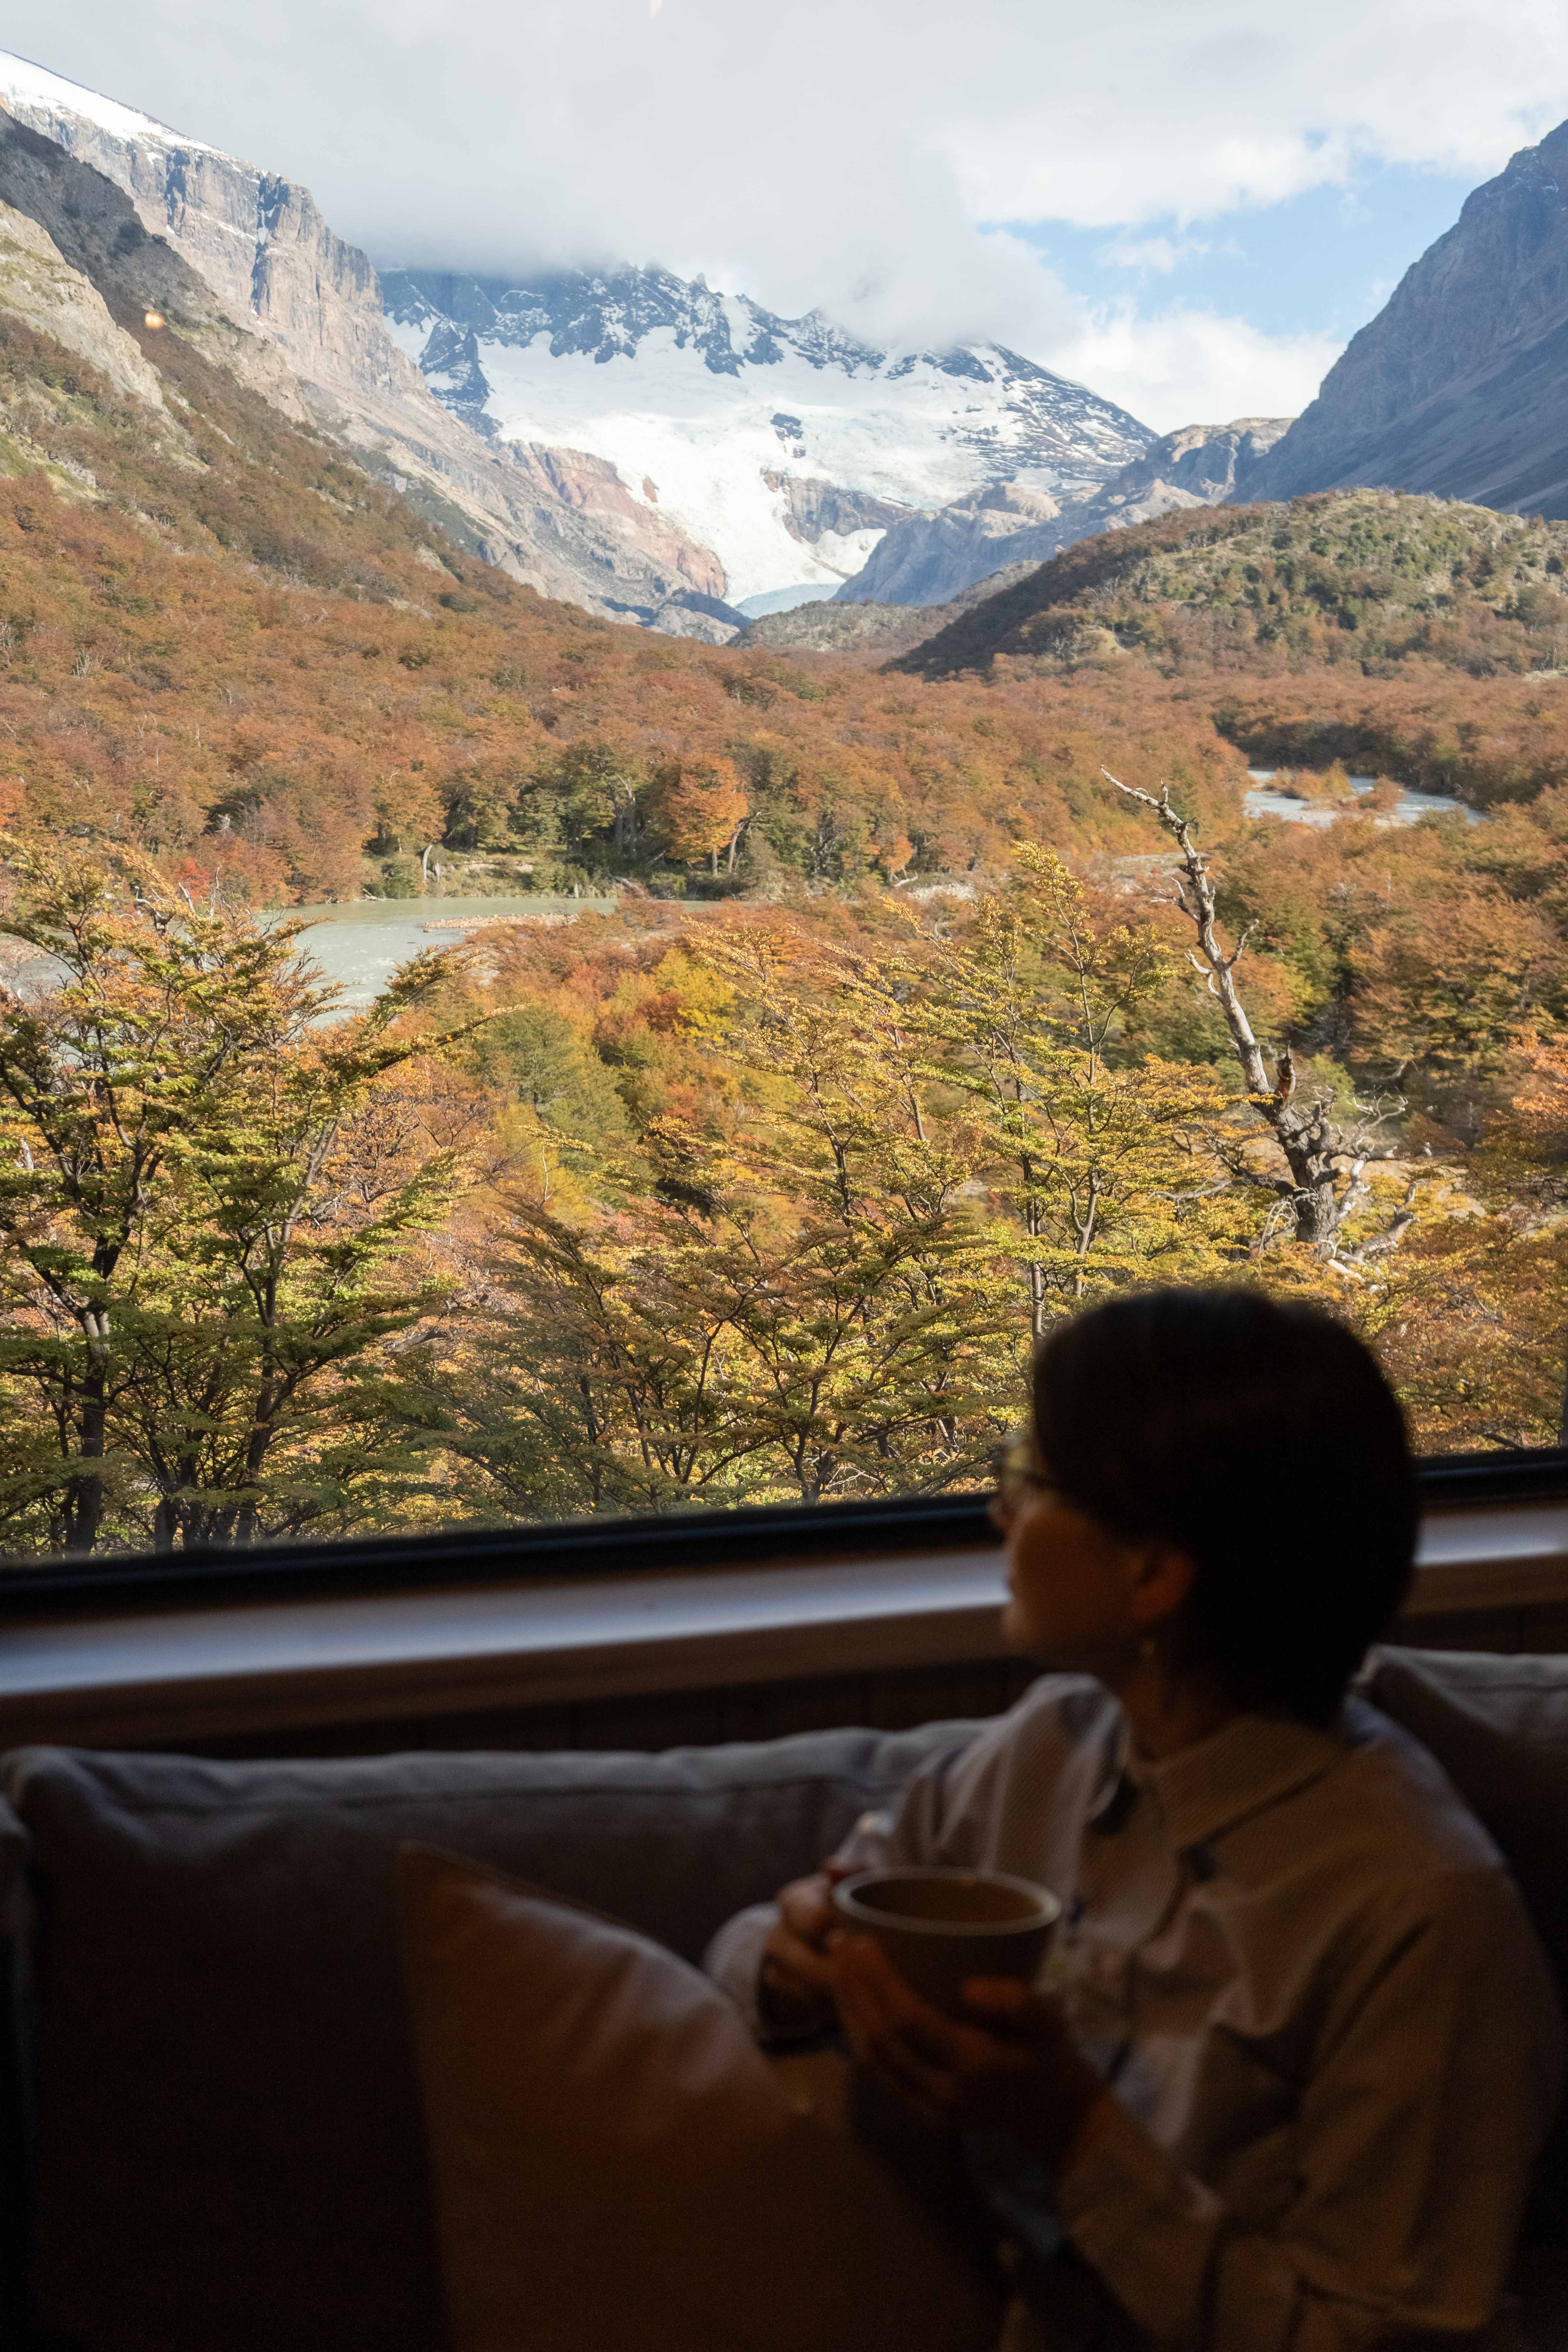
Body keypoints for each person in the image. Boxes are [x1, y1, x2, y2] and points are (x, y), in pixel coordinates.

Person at [705, 1287, 1565, 2351]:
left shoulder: (1422, 1914)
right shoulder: (1047, 1753)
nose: (999, 1513)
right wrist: (795, 1965)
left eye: (1032, 1480)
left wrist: (1076, 2135)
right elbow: (763, 1938)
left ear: (1152, 1571)